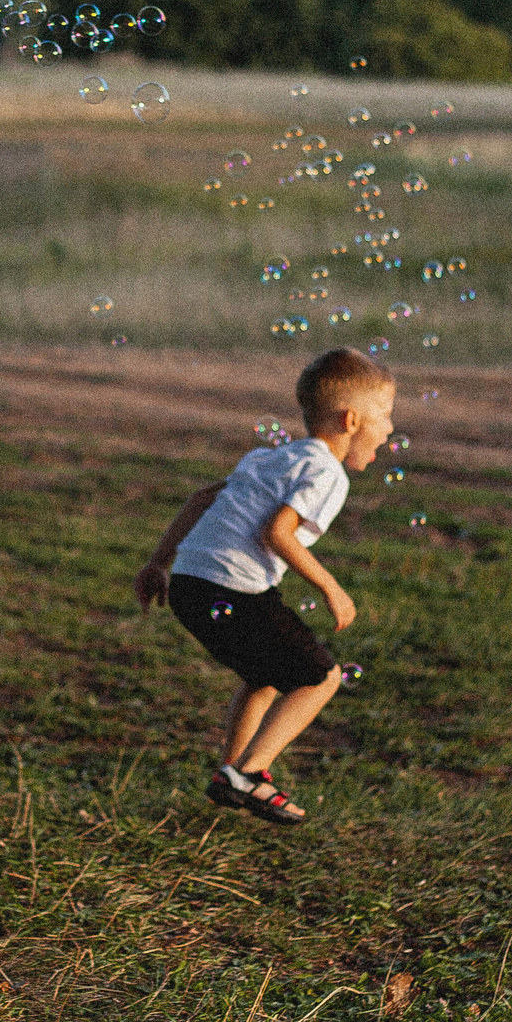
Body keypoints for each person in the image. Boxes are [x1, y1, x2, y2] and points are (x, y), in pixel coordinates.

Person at [135, 347, 396, 825]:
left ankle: (232, 774)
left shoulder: (268, 457)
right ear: (351, 421)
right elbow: (277, 533)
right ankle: (250, 773)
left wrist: (158, 562)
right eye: (386, 416)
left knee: (263, 678)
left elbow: (201, 498)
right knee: (321, 677)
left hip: (190, 584)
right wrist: (332, 588)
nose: (391, 429)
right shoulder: (326, 471)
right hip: (232, 588)